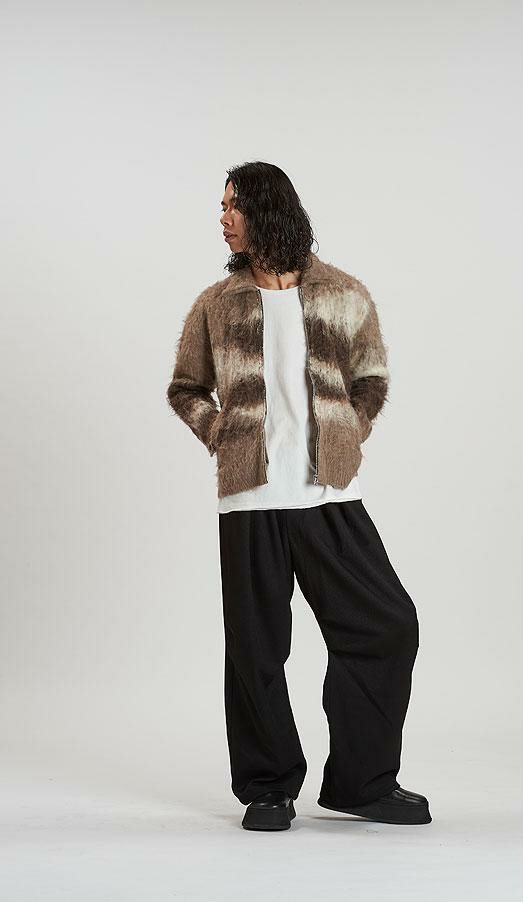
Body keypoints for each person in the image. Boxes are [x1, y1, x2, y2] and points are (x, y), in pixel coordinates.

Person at [167, 161, 432, 832]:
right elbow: (186, 387)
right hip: (250, 501)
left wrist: (349, 429)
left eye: (232, 205)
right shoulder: (216, 304)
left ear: (266, 210)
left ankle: (363, 783)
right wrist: (220, 434)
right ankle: (267, 788)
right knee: (255, 651)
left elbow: (372, 377)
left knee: (387, 626)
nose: (222, 217)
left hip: (329, 495)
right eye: (222, 206)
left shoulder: (343, 293)